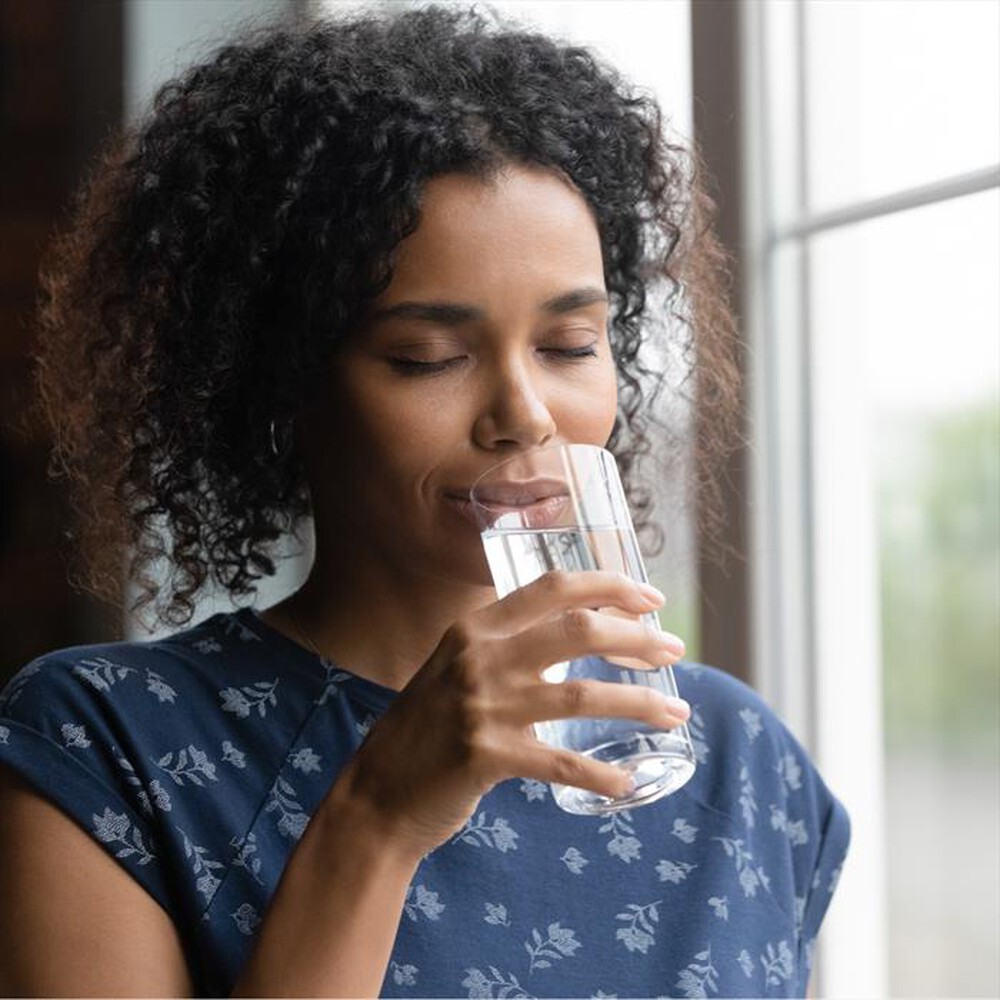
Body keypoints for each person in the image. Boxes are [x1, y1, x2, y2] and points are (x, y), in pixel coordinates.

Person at [0, 6, 849, 997]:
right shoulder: (105, 746)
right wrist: (376, 817)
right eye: (427, 357)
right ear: (278, 387)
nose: (524, 415)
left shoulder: (738, 761)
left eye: (570, 344)